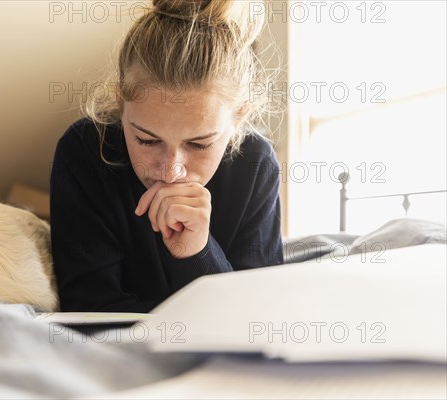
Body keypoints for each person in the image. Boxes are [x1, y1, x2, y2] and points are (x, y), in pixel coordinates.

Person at [50, 0, 284, 312]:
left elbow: (257, 316)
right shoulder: (85, 151)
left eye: (199, 145)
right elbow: (90, 310)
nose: (171, 172)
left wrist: (198, 253)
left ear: (239, 117)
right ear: (120, 104)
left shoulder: (256, 165)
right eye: (146, 140)